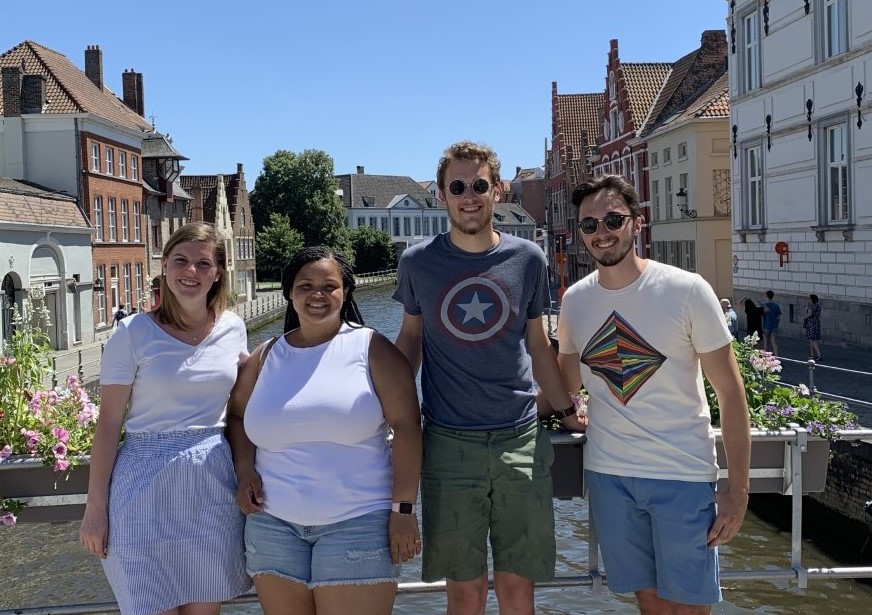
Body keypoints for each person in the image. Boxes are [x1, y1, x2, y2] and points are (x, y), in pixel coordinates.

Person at [393, 141, 585, 615]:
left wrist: (565, 410)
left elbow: (539, 346)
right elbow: (410, 342)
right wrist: (386, 409)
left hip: (519, 438)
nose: (469, 195)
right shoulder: (418, 262)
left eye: (479, 185)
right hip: (447, 442)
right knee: (465, 589)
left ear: (497, 191)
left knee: (519, 586)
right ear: (441, 195)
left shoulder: (528, 259)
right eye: (457, 187)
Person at [556, 174, 751, 614]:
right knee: (649, 601)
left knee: (689, 605)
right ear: (580, 234)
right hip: (610, 475)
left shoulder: (686, 290)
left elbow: (731, 392)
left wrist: (737, 489)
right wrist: (571, 410)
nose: (601, 232)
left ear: (636, 223)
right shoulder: (576, 302)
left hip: (681, 473)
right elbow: (567, 375)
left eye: (612, 220)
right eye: (590, 225)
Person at [227, 246, 422, 615]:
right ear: (289, 293)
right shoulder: (266, 356)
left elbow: (408, 427)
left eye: (329, 286)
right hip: (273, 527)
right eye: (306, 285)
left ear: (345, 292)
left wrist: (404, 510)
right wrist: (245, 471)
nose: (317, 294)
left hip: (359, 524)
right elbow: (236, 418)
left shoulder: (371, 349)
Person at [80, 222, 251, 615]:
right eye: (181, 260)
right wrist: (95, 510)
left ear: (219, 272)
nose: (191, 272)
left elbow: (241, 410)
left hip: (211, 485)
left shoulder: (232, 329)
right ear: (164, 265)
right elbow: (108, 425)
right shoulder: (133, 333)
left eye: (203, 263)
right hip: (142, 484)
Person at [761, 290, 782, 355]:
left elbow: (762, 316)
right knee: (774, 342)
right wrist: (776, 324)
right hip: (774, 326)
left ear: (766, 296)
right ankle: (777, 356)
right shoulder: (776, 306)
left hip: (766, 325)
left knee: (766, 342)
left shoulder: (763, 305)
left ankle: (766, 358)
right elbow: (778, 318)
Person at [803, 293, 822, 361]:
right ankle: (812, 354)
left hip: (811, 323)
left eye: (809, 298)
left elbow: (809, 314)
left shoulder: (811, 306)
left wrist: (804, 317)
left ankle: (818, 354)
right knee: (811, 339)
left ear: (811, 299)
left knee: (813, 339)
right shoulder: (817, 306)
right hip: (816, 322)